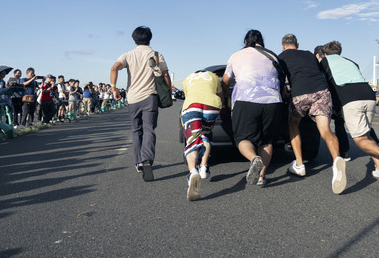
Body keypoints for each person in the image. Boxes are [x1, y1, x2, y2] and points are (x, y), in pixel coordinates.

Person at [319, 41, 379, 189]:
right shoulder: (351, 62)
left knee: (360, 139)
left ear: (326, 53)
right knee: (366, 134)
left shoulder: (324, 61)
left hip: (350, 99)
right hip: (369, 95)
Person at [222, 29, 283, 187]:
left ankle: (253, 159)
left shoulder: (236, 55)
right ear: (262, 41)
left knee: (243, 138)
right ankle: (261, 176)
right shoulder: (272, 55)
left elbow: (225, 81)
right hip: (273, 101)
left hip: (246, 99)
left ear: (245, 42)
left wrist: (224, 97)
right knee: (266, 141)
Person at [277, 34, 343, 179]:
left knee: (293, 124)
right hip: (321, 91)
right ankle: (337, 160)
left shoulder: (281, 57)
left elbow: (280, 79)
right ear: (297, 45)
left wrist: (284, 93)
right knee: (325, 130)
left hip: (300, 93)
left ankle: (299, 164)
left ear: (283, 46)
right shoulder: (308, 54)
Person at [110, 26, 171, 182]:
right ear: (150, 38)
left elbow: (114, 68)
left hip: (133, 98)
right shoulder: (156, 55)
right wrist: (168, 92)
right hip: (150, 97)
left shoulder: (128, 55)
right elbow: (165, 75)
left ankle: (138, 162)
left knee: (136, 130)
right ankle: (147, 159)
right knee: (149, 129)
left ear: (134, 39)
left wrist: (114, 88)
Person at [181, 70, 224, 201]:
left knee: (193, 140)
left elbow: (188, 96)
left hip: (192, 105)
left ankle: (193, 171)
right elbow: (221, 95)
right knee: (206, 134)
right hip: (212, 104)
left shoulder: (188, 77)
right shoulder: (214, 76)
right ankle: (204, 167)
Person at [314, 45, 351, 161]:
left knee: (322, 126)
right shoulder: (339, 64)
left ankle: (335, 153)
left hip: (326, 99)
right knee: (339, 126)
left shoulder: (320, 66)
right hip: (339, 98)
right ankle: (344, 152)